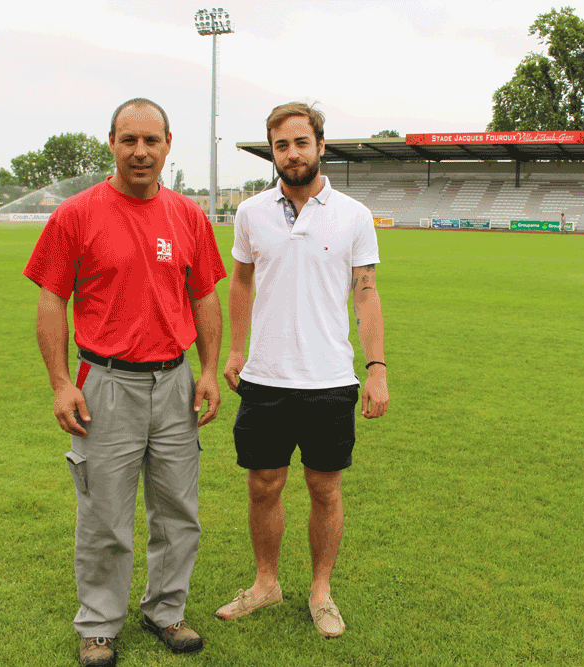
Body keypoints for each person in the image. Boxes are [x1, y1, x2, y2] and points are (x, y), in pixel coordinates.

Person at [23, 98, 226, 667]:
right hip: (105, 384)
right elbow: (50, 301)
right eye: (129, 140)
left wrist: (207, 371)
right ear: (110, 142)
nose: (141, 152)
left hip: (175, 383)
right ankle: (98, 626)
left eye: (152, 141)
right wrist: (61, 382)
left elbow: (206, 296)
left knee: (177, 512)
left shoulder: (187, 215)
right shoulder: (77, 214)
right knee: (104, 515)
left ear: (168, 144)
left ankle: (166, 610)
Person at [215, 102, 389, 638]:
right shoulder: (250, 213)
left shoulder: (353, 215)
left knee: (324, 489)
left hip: (329, 379)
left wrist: (377, 368)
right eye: (281, 145)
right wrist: (236, 351)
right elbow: (241, 282)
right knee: (263, 485)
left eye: (301, 142)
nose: (291, 153)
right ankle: (266, 583)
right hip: (264, 378)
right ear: (273, 152)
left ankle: (320, 591)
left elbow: (366, 294)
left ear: (318, 145)